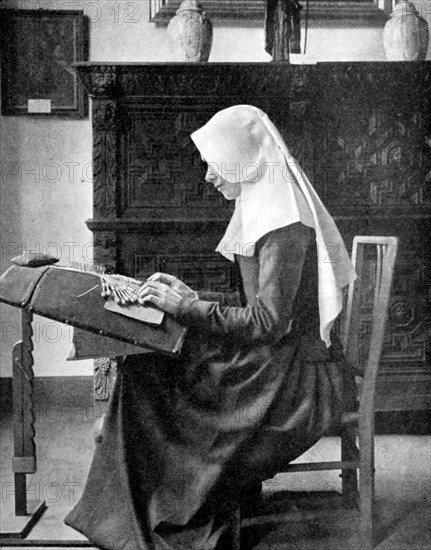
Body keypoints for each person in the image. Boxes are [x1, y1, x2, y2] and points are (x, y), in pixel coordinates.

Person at [65, 105, 358, 550]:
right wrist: (191, 298)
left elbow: (269, 322)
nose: (208, 177)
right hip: (275, 359)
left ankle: (163, 511)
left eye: (214, 164)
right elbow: (256, 308)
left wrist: (186, 308)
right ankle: (153, 505)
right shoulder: (265, 205)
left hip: (298, 378)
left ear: (247, 158)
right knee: (146, 365)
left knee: (152, 374)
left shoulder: (284, 223)